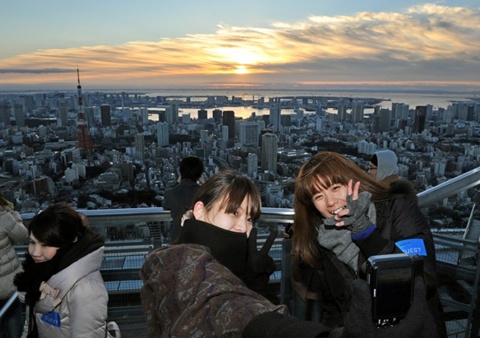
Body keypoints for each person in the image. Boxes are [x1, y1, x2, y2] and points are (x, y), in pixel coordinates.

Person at [289, 151, 445, 337]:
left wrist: (366, 234)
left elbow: (424, 280)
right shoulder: (323, 238)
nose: (330, 202)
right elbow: (335, 307)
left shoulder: (397, 209)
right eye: (318, 197)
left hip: (413, 330)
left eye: (335, 187)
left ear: (352, 182)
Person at [140, 170, 285, 337]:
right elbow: (225, 305)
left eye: (250, 219)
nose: (244, 228)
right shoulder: (179, 262)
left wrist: (255, 284)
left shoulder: (233, 264)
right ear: (200, 211)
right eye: (234, 213)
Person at [13, 203, 118, 338]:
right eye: (33, 242)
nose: (35, 252)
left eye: (45, 245)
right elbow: (31, 326)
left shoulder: (85, 289)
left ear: (68, 243)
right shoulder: (41, 273)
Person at [0, 192, 28, 338]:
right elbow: (22, 235)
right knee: (14, 331)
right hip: (8, 286)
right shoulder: (3, 216)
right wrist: (12, 213)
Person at [163, 156, 204, 243]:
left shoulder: (170, 193)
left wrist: (178, 181)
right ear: (199, 174)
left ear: (181, 173)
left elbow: (165, 206)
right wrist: (204, 183)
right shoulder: (204, 193)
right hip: (199, 239)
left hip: (177, 239)